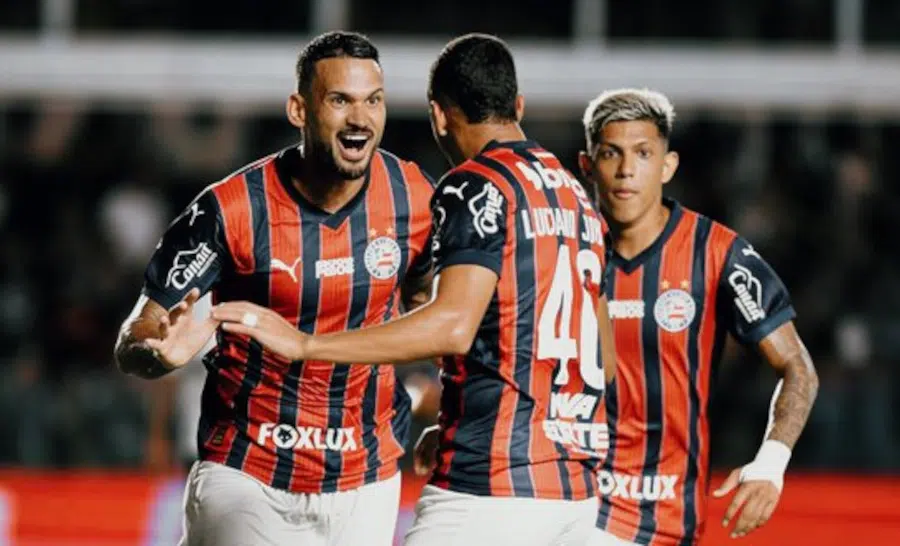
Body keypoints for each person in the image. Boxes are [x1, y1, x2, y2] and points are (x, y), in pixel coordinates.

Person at [212, 33, 616, 546]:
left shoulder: (475, 184)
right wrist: (461, 421)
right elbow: (603, 356)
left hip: (494, 485)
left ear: (439, 116)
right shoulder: (577, 198)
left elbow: (451, 327)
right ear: (518, 106)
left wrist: (307, 344)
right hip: (575, 491)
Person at [113, 31, 436, 546]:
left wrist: (448, 405)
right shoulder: (231, 210)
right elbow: (137, 335)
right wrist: (156, 353)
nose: (360, 118)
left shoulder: (414, 197)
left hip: (366, 480)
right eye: (340, 100)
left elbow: (432, 309)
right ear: (298, 110)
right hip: (249, 476)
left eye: (373, 101)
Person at [576, 88, 819, 545]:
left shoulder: (718, 253)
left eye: (643, 154)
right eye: (611, 154)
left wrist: (771, 463)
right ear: (587, 165)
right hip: (569, 504)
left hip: (662, 518)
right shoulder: (561, 249)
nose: (627, 170)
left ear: (668, 166)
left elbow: (797, 366)